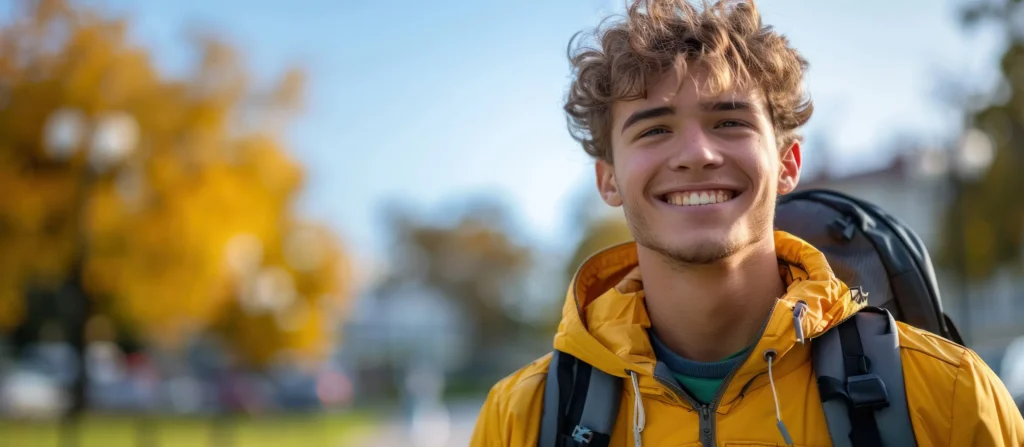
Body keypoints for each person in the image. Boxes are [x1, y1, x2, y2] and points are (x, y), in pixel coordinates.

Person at [469, 0, 1024, 445]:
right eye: (654, 129)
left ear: (788, 164)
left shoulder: (951, 396)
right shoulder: (523, 418)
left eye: (730, 121)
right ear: (607, 180)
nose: (697, 154)